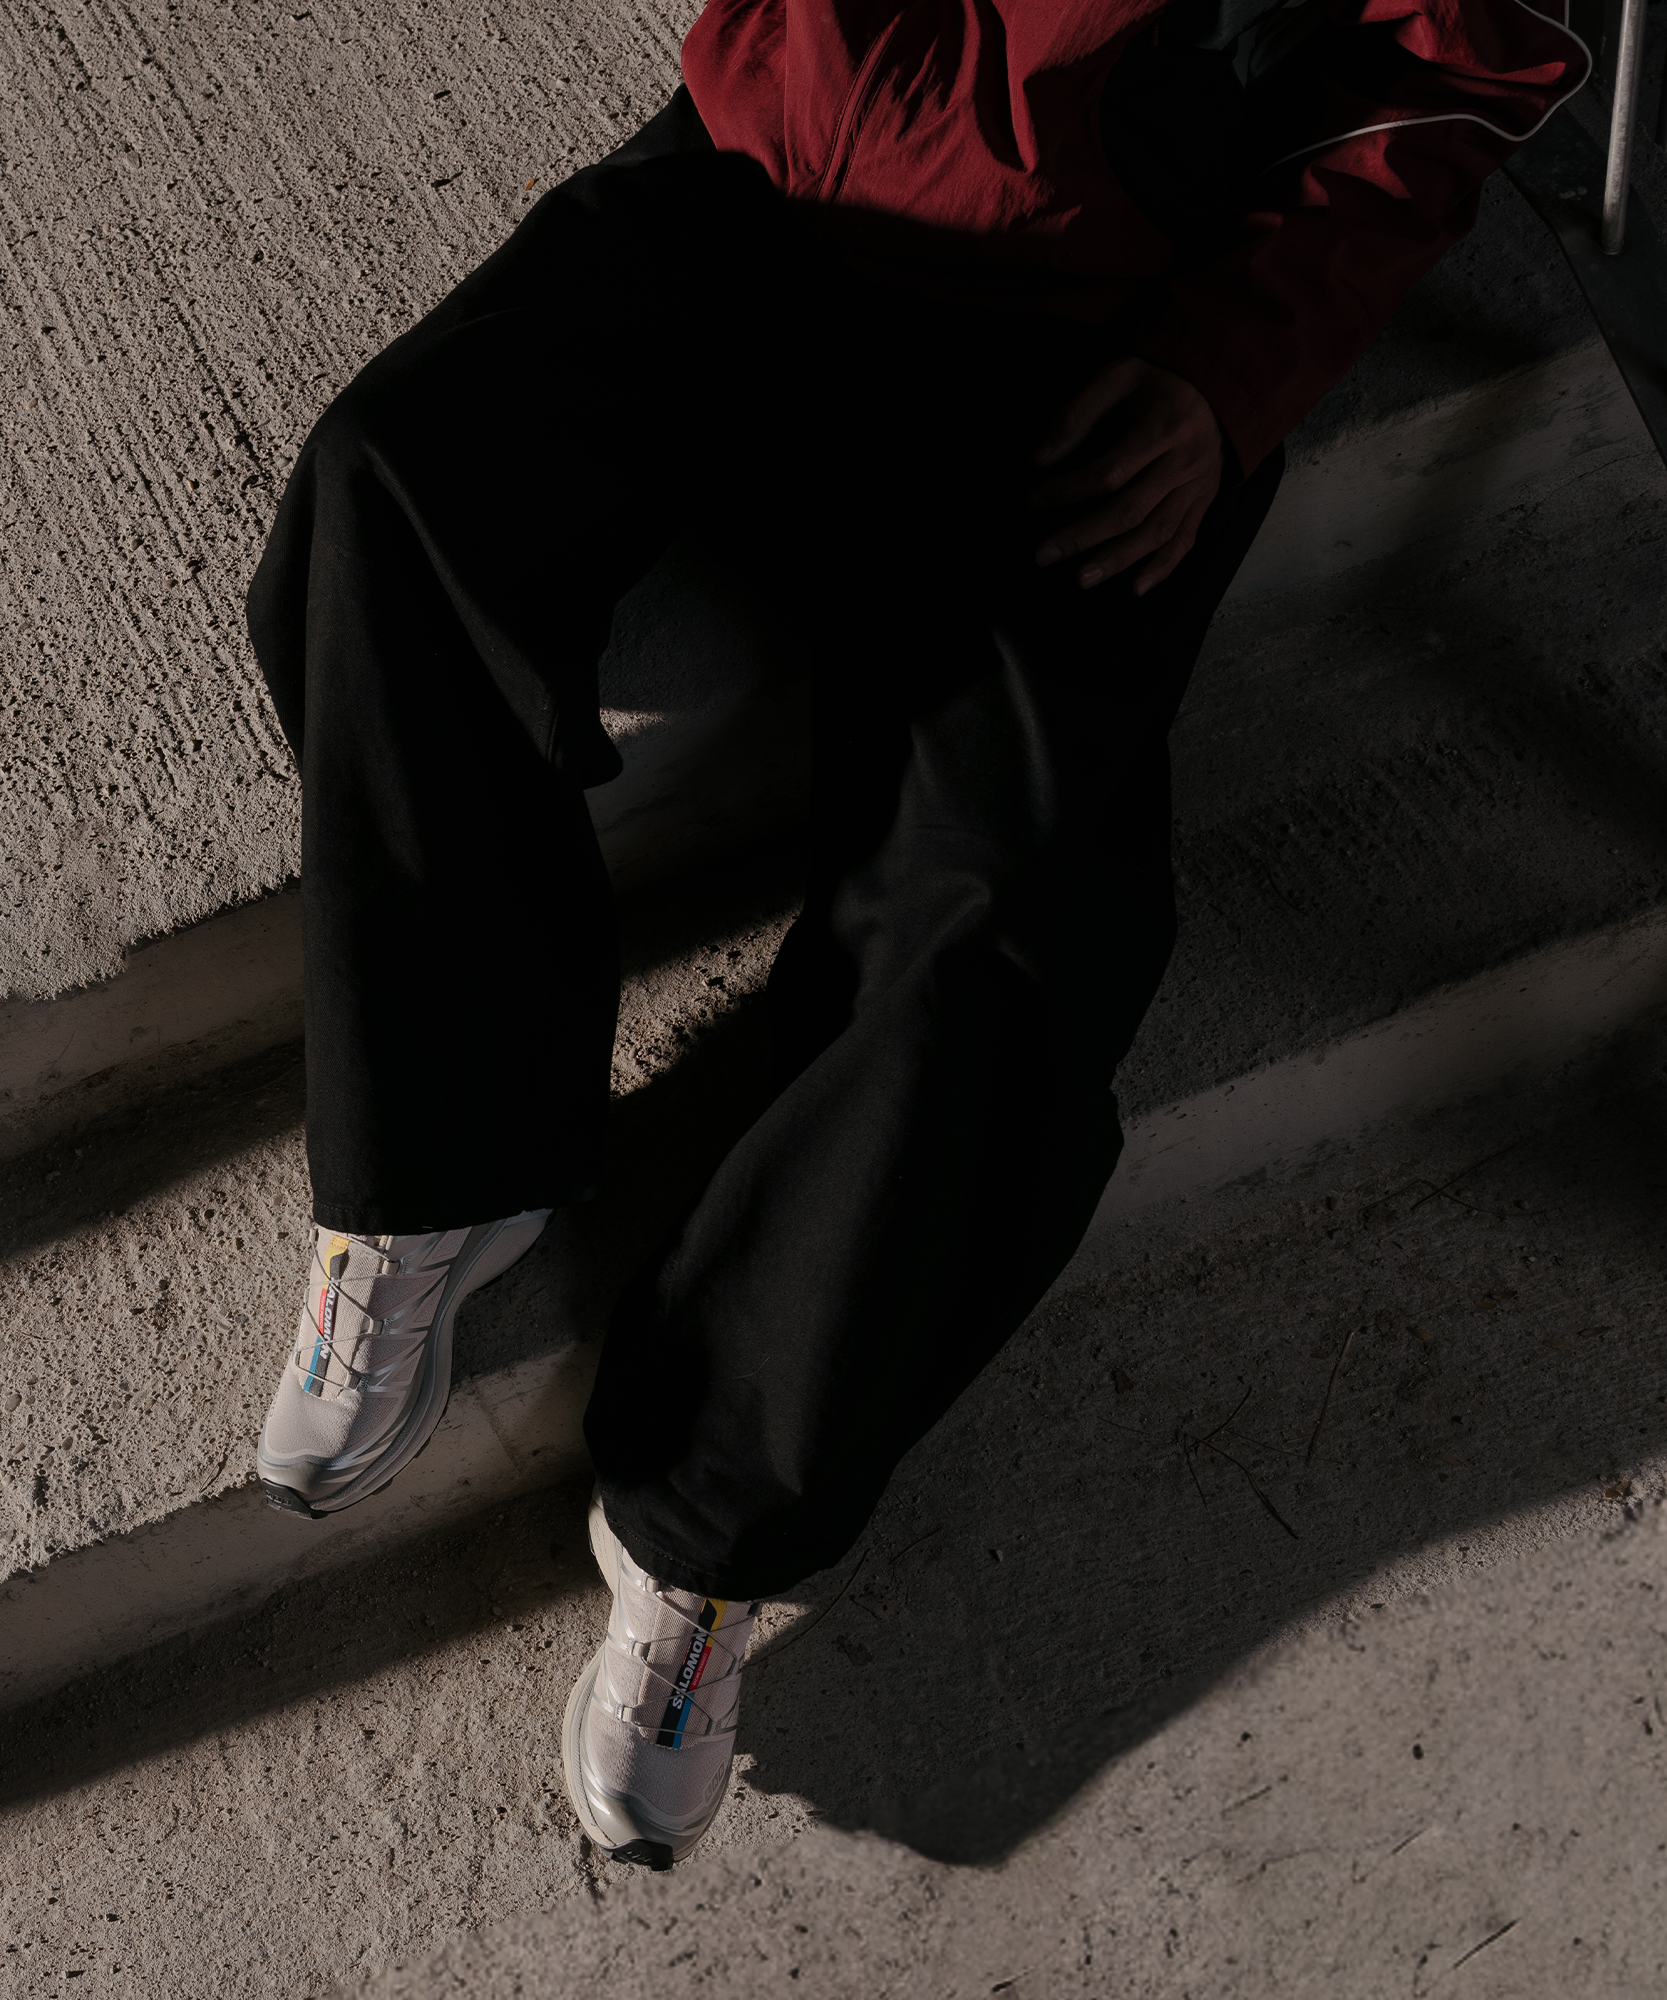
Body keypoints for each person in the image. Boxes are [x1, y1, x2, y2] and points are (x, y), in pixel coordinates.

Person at [244, 0, 1585, 1869]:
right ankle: (449, 1163)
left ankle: (703, 1514)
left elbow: (1450, 65)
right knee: (397, 488)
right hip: (767, 182)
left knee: (1010, 919)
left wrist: (1224, 367)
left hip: (1099, 332)